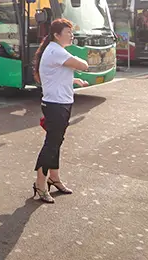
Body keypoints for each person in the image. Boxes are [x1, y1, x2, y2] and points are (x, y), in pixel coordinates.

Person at [32, 18, 89, 203]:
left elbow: (55, 75)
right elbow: (84, 65)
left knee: (56, 142)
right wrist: (78, 64)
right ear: (57, 35)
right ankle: (40, 184)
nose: (72, 36)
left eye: (72, 32)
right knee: (51, 145)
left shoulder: (56, 51)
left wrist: (74, 81)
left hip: (61, 102)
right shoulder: (56, 51)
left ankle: (54, 178)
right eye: (68, 33)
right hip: (55, 105)